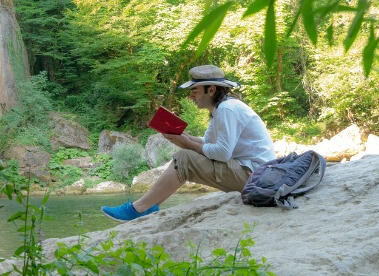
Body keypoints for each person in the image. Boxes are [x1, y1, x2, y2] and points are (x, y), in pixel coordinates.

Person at [101, 64, 276, 222]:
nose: (191, 96)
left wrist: (186, 142)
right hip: (250, 172)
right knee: (186, 155)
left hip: (255, 177)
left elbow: (223, 153)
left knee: (185, 158)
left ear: (211, 89)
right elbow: (207, 143)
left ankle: (138, 208)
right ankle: (150, 206)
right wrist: (181, 136)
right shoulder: (220, 110)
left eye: (195, 91)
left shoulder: (227, 110)